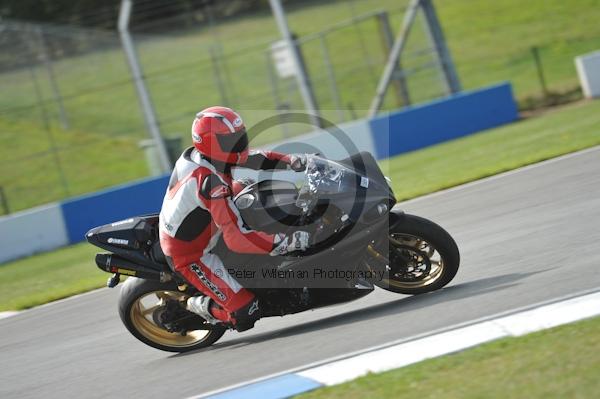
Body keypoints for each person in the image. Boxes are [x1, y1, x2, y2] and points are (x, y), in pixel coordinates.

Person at [159, 106, 310, 332]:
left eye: (240, 137)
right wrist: (284, 242)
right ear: (212, 144)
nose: (239, 144)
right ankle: (189, 306)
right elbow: (236, 239)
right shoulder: (210, 183)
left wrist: (293, 161)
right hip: (192, 254)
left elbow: (256, 158)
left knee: (259, 194)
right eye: (231, 140)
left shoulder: (207, 157)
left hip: (203, 222)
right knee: (245, 312)